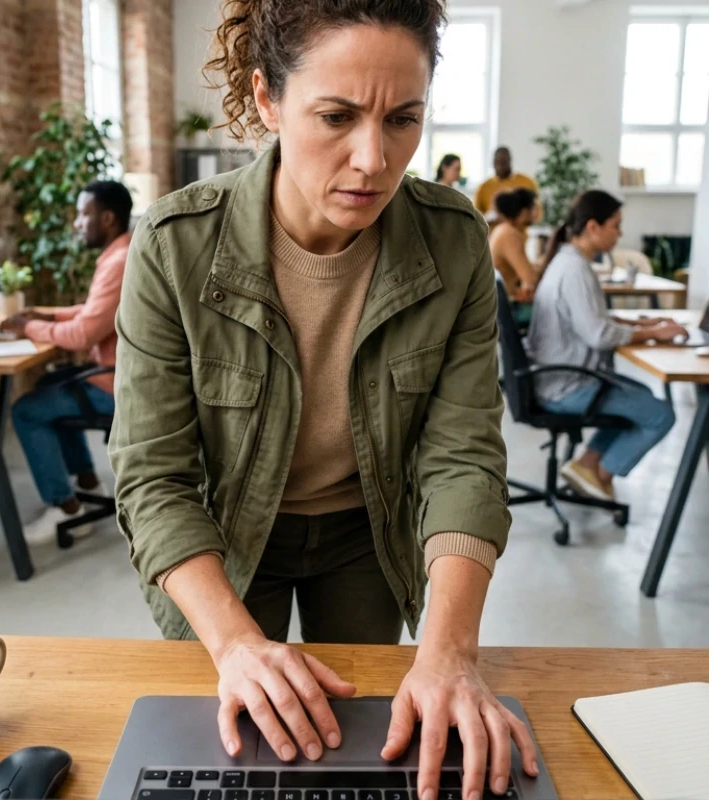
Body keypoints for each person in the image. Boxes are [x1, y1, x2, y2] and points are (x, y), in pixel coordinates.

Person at [109, 3, 539, 800]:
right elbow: (153, 478)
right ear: (267, 100)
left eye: (403, 119)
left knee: (369, 743)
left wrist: (451, 652)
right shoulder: (174, 246)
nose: (374, 159)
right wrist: (236, 644)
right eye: (336, 116)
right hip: (230, 538)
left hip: (367, 535)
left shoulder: (452, 243)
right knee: (239, 748)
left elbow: (463, 458)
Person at [528, 190, 685, 502]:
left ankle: (587, 466)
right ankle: (600, 478)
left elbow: (594, 321)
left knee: (640, 397)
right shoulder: (575, 270)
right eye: (616, 225)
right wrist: (652, 335)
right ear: (592, 227)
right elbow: (599, 334)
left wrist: (645, 327)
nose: (620, 233)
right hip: (568, 386)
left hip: (559, 379)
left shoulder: (568, 261)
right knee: (661, 415)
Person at [1, 180, 133, 545]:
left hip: (116, 385)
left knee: (27, 411)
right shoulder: (120, 253)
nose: (77, 222)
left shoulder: (118, 262)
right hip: (115, 374)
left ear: (107, 218)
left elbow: (84, 334)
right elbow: (94, 314)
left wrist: (28, 326)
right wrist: (48, 315)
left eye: (83, 214)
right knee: (50, 385)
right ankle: (87, 483)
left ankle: (67, 507)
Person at [490, 187, 540, 305]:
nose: (536, 213)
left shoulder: (504, 229)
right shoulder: (510, 234)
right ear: (524, 212)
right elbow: (530, 279)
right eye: (533, 208)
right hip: (508, 304)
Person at [474, 146, 538, 216]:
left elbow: (537, 210)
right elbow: (476, 215)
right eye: (497, 162)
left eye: (504, 162)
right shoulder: (483, 187)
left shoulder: (527, 182)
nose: (500, 166)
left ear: (510, 160)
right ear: (493, 162)